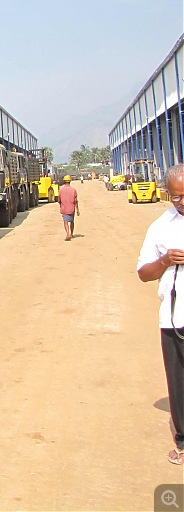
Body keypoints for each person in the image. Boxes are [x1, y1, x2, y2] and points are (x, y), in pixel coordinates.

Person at [137, 164, 184, 465]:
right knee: (179, 384)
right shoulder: (160, 227)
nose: (182, 202)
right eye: (176, 197)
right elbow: (143, 273)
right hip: (174, 318)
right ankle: (182, 440)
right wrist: (166, 260)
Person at [58, 175, 80, 241]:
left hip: (64, 208)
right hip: (71, 208)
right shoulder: (73, 190)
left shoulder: (61, 190)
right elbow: (76, 201)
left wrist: (61, 205)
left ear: (64, 181)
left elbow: (59, 200)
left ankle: (68, 233)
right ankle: (71, 234)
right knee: (72, 221)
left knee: (65, 222)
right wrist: (77, 210)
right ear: (70, 181)